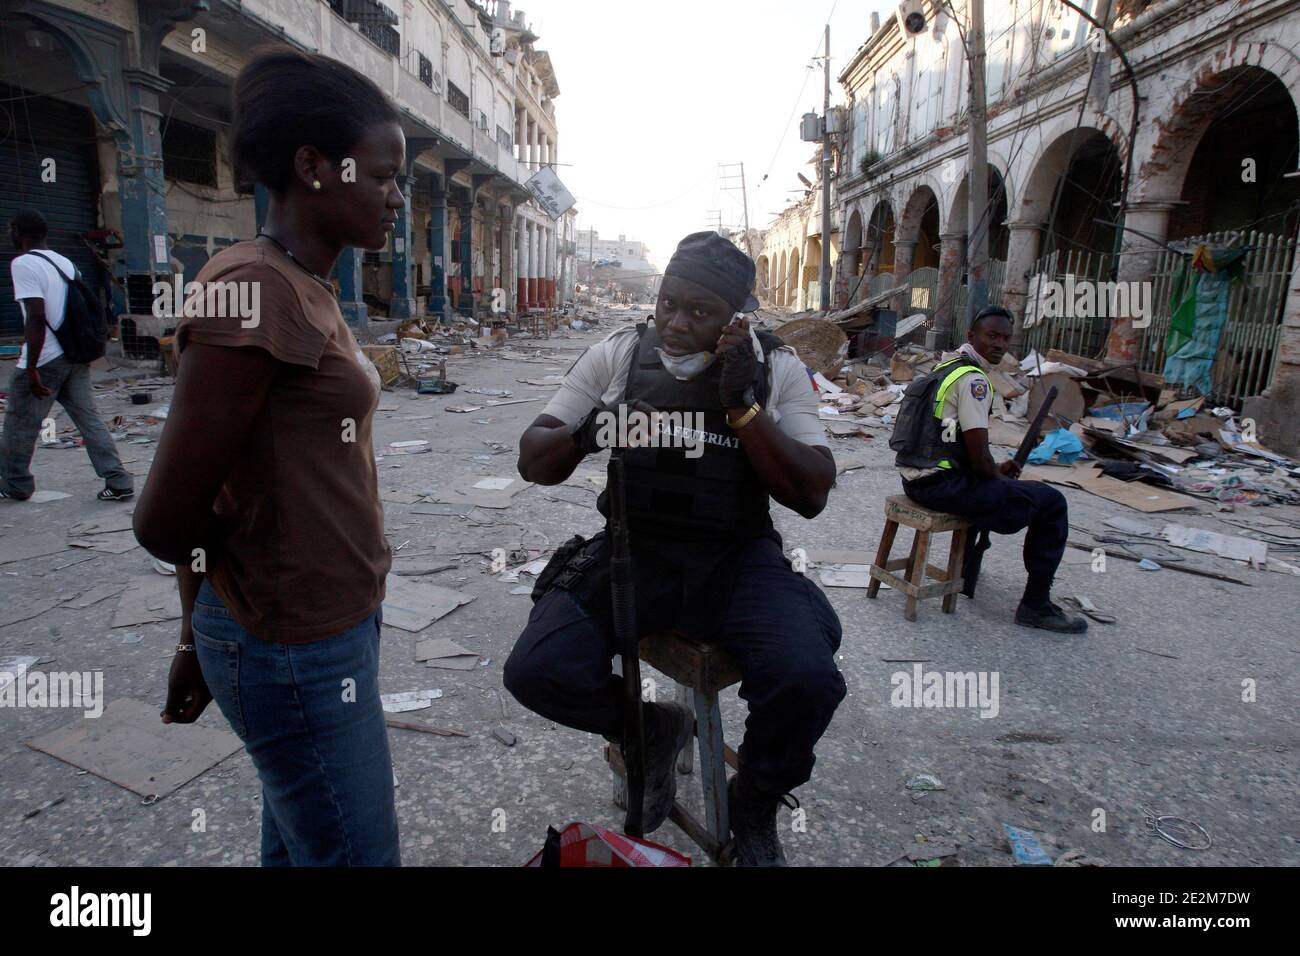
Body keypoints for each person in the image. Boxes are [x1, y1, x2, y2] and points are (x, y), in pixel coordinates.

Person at [133, 47, 407, 866]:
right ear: (313, 166)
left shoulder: (306, 284)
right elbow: (168, 517)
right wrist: (213, 632)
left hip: (330, 627)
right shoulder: (249, 289)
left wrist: (196, 639)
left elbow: (227, 491)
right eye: (384, 176)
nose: (396, 196)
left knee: (299, 849)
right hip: (292, 646)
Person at [504, 232, 847, 866]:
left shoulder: (776, 368)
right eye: (668, 304)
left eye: (700, 312)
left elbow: (811, 492)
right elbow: (533, 462)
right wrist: (593, 428)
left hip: (734, 560)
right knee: (536, 670)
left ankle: (756, 799)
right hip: (635, 552)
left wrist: (744, 412)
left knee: (807, 679)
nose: (676, 324)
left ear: (734, 318)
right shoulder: (618, 354)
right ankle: (648, 728)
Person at [891, 306, 1087, 633]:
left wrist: (994, 471)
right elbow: (979, 457)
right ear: (972, 335)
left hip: (917, 478)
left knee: (996, 488)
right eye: (992, 335)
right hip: (941, 485)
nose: (999, 344)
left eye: (1006, 338)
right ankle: (1035, 606)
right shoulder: (973, 380)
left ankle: (966, 571)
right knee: (1051, 502)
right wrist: (995, 472)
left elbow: (951, 440)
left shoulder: (948, 366)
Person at [1, 210, 132, 502]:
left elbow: (35, 317)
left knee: (19, 423)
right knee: (89, 420)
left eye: (10, 229)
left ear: (19, 232)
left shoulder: (23, 264)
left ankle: (16, 484)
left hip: (46, 356)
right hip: (74, 355)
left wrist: (32, 367)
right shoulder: (66, 263)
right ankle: (118, 479)